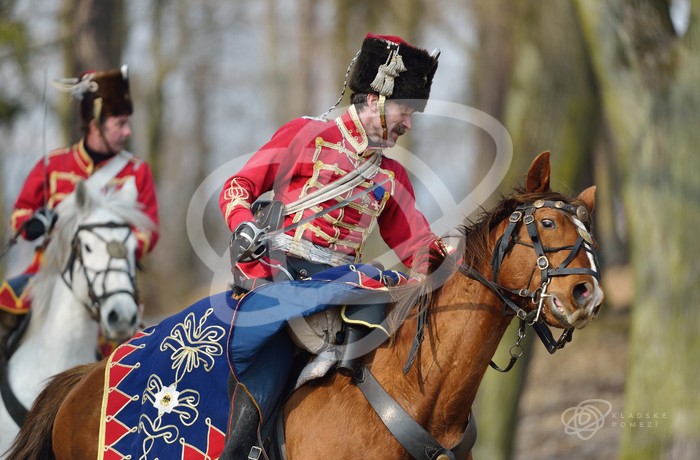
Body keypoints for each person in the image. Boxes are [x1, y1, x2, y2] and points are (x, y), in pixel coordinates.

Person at [218, 33, 451, 459]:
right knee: (264, 372)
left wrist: (457, 256)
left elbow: (419, 247)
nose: (409, 124)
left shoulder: (392, 176)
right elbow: (238, 186)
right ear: (376, 98)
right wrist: (244, 225)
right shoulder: (306, 135)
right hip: (278, 277)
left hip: (345, 285)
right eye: (406, 111)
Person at [0, 66, 159, 353]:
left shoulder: (136, 171)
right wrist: (35, 224)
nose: (128, 131)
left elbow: (148, 229)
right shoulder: (55, 164)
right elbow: (20, 214)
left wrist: (115, 247)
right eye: (120, 124)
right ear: (96, 123)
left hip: (110, 279)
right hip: (48, 272)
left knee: (138, 357)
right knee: (4, 305)